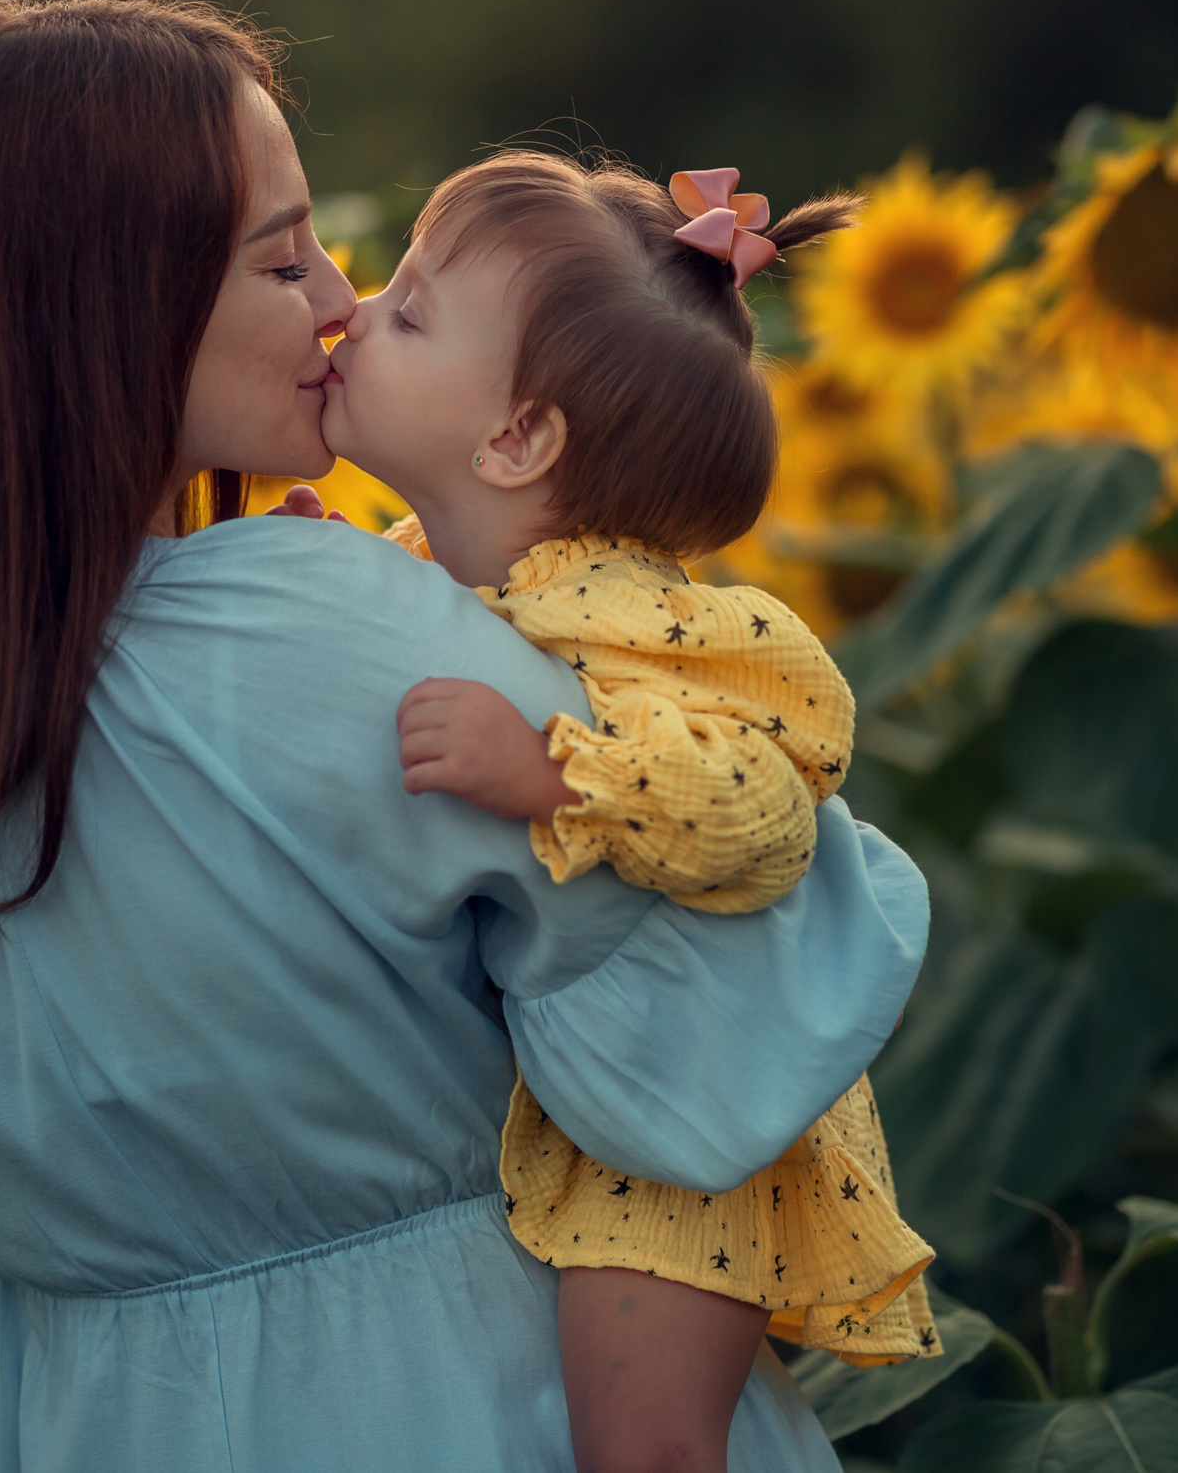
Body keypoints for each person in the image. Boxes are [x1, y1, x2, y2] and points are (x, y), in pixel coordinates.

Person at [0, 0, 929, 1473]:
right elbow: (738, 1004)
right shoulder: (348, 636)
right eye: (280, 258)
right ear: (104, 304)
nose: (337, 296)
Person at [275, 151, 934, 1473]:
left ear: (515, 439)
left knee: (649, 1453)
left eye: (407, 311)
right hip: (612, 1100)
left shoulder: (642, 613)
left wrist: (553, 770)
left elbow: (763, 810)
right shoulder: (445, 569)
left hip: (694, 1135)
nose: (351, 315)